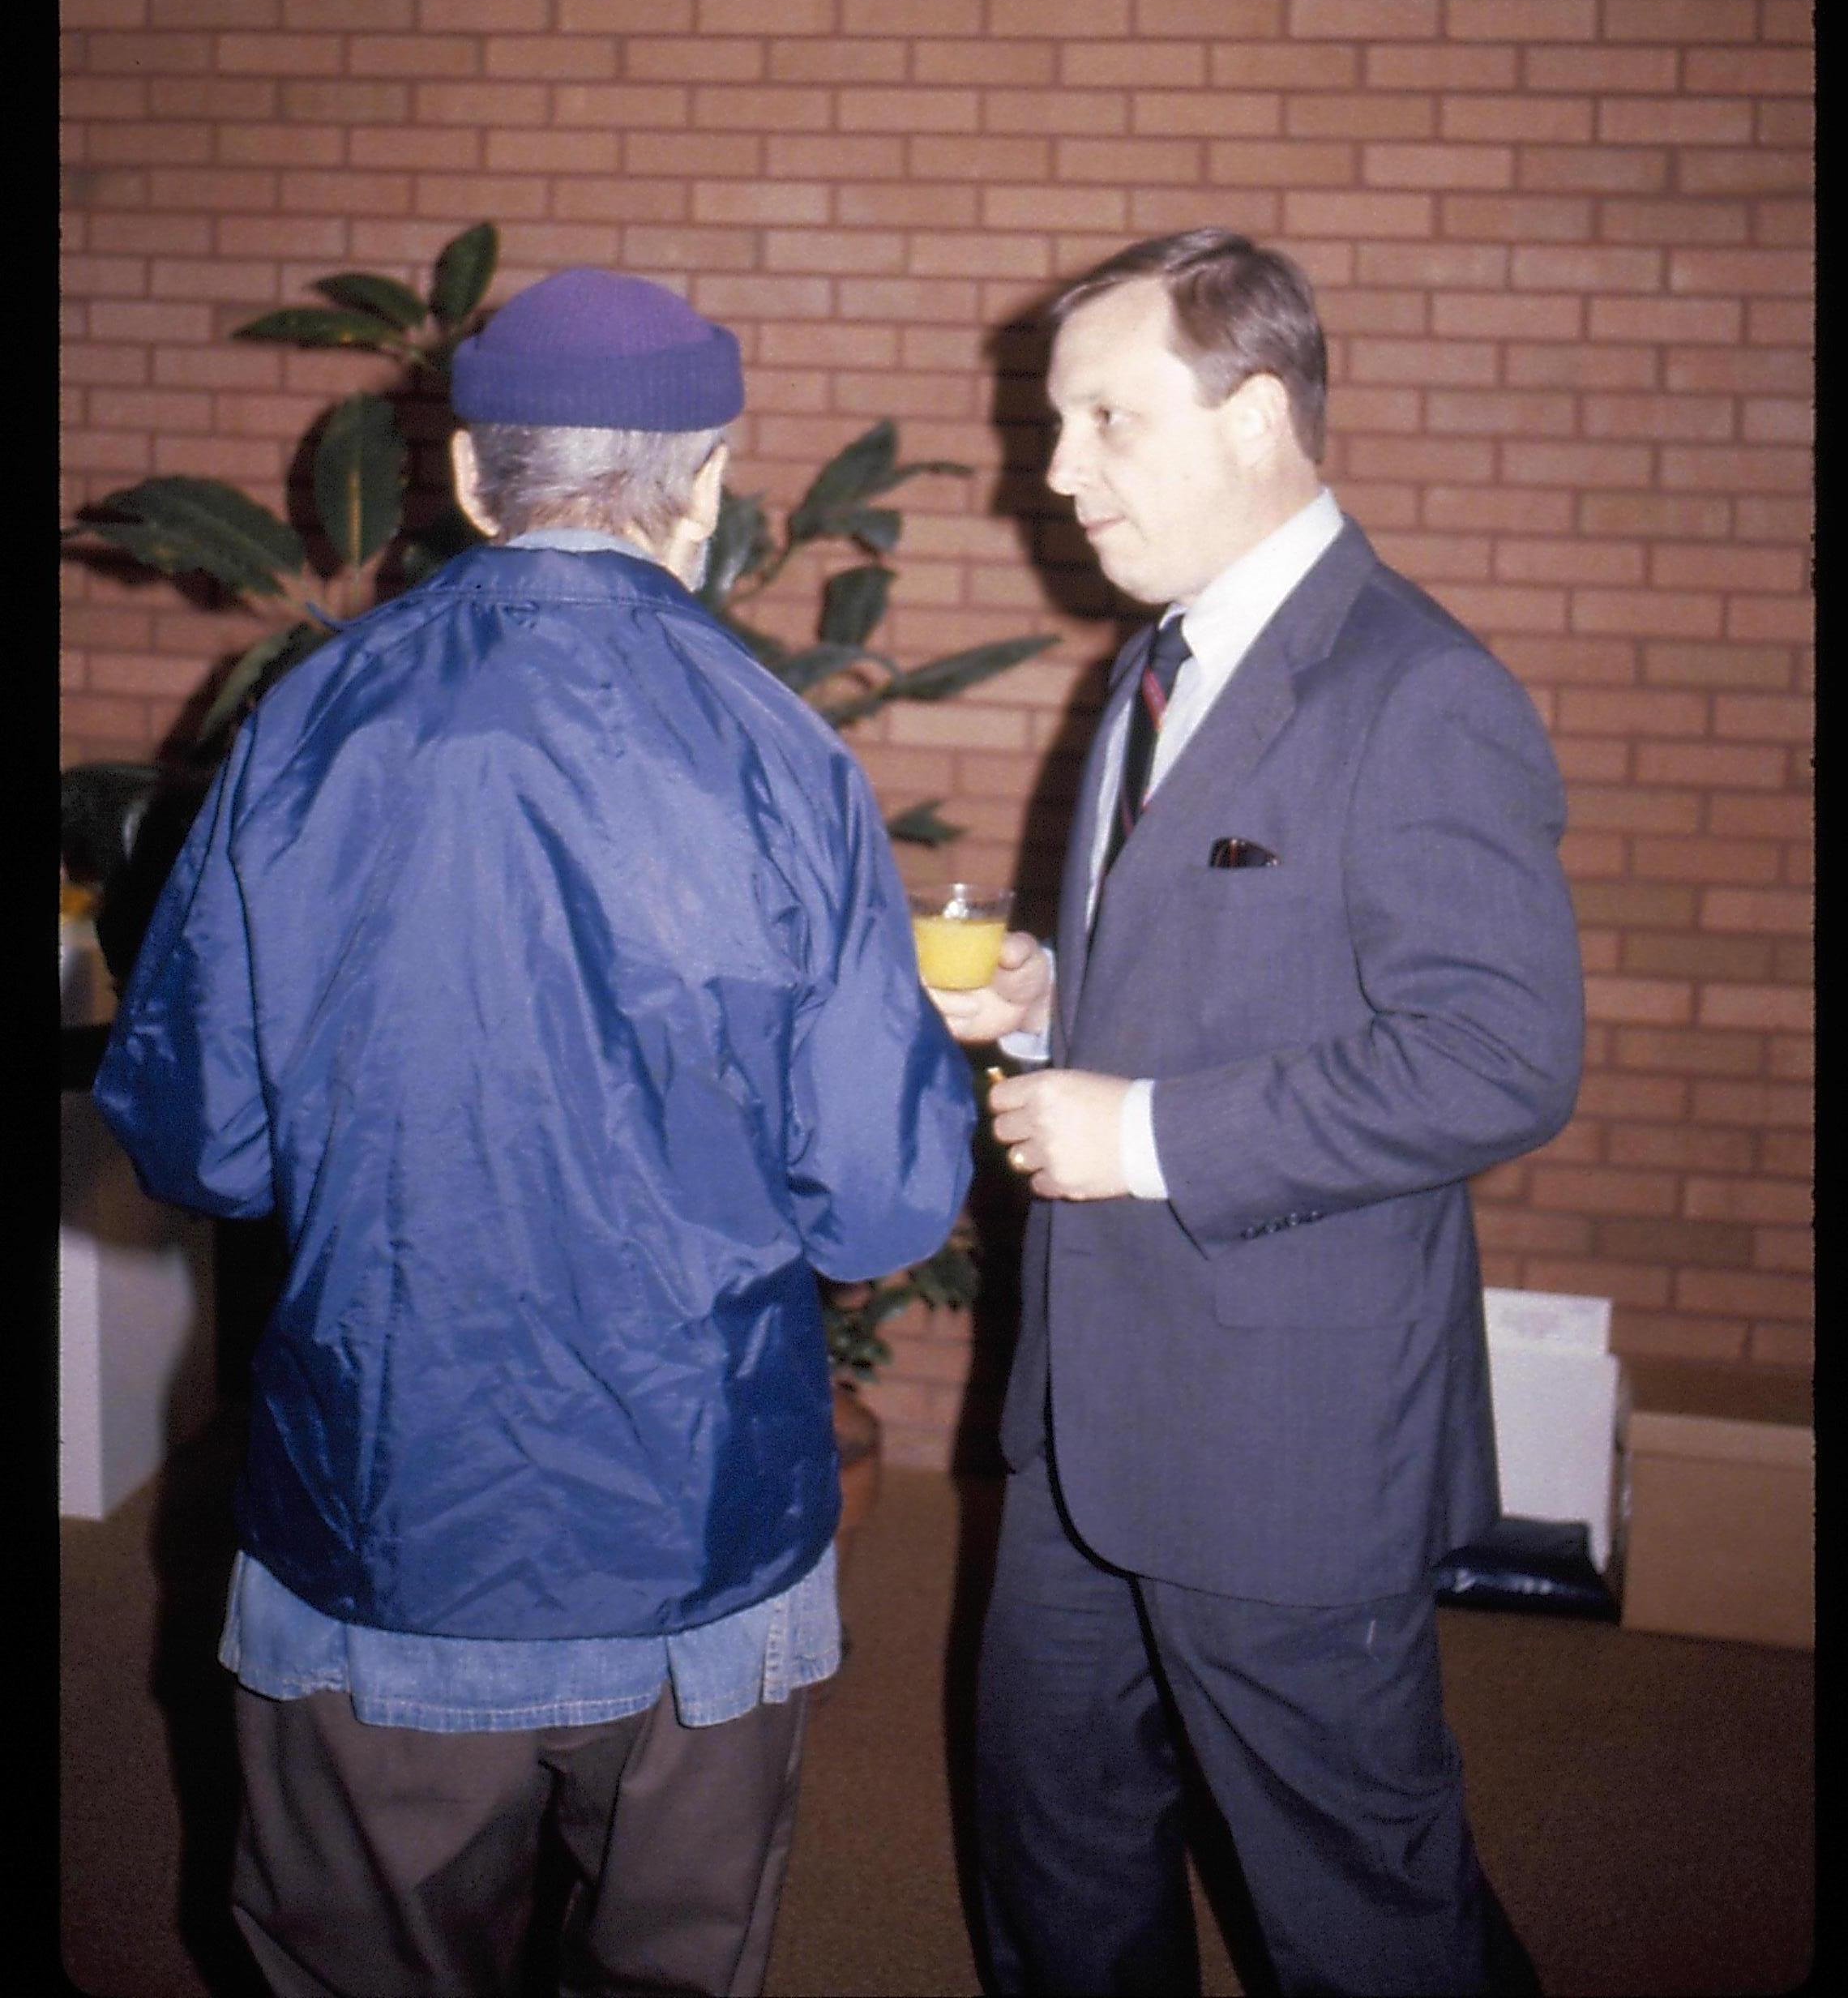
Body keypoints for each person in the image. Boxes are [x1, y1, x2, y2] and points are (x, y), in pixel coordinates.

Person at [95, 267, 976, 1998]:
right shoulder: (785, 760)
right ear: (711, 489)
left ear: (478, 484)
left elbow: (201, 1142)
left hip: (383, 1517)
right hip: (697, 1536)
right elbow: (877, 1205)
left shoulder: (309, 725)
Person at [931, 230, 1583, 1998]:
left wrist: (1139, 1135)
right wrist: (1061, 998)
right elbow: (1246, 958)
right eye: (1055, 424)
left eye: (1104, 420)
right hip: (1090, 1424)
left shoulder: (1417, 691)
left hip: (1283, 1440)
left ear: (1258, 417)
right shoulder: (1154, 665)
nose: (1052, 472)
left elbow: (1500, 1055)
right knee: (1054, 1845)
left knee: (1357, 1910)